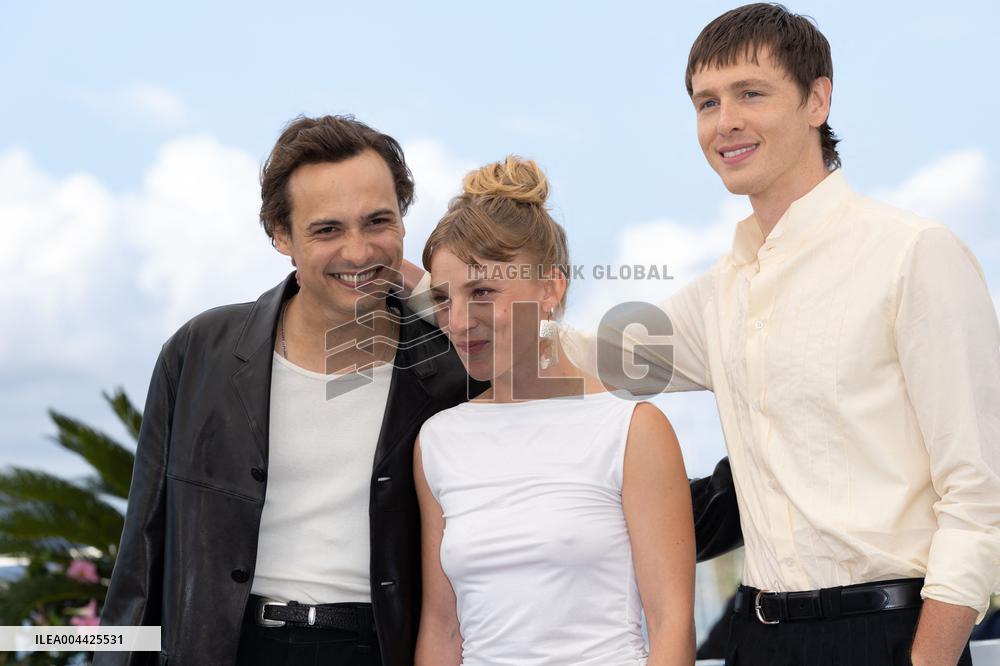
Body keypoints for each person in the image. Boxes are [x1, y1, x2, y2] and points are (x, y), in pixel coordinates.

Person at [98, 115, 742, 665]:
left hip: (375, 649)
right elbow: (142, 554)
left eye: (377, 221)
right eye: (327, 229)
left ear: (402, 222)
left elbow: (577, 490)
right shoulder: (203, 350)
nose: (358, 249)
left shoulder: (452, 372)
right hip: (226, 648)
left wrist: (777, 479)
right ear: (280, 236)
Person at [563, 4, 1000, 665]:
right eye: (706, 102)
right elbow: (576, 356)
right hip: (757, 638)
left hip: (889, 638)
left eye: (750, 93)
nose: (724, 121)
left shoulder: (914, 254)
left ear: (817, 99)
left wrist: (928, 660)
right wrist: (432, 290)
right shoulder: (724, 291)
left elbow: (979, 493)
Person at [414, 156, 697, 665]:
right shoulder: (437, 440)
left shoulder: (631, 430)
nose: (457, 321)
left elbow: (671, 624)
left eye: (482, 292)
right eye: (443, 298)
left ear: (551, 288)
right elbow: (442, 629)